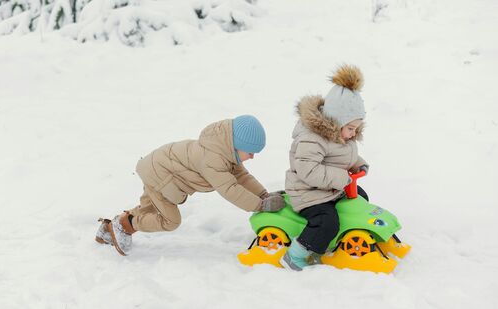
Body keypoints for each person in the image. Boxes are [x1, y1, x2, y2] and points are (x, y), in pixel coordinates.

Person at [95, 115, 286, 256]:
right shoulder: (213, 159)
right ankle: (122, 226)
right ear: (236, 144)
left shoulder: (224, 152)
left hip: (159, 167)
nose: (252, 157)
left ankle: (109, 230)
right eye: (250, 152)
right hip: (160, 175)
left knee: (149, 209)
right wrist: (260, 205)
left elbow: (242, 177)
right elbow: (230, 189)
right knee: (170, 220)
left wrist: (263, 195)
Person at [281, 64, 370, 271]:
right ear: (336, 121)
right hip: (308, 193)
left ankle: (339, 238)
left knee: (360, 197)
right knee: (326, 221)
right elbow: (308, 170)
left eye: (356, 130)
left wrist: (358, 164)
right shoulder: (312, 139)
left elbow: (342, 156)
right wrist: (341, 178)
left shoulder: (340, 135)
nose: (352, 134)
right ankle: (296, 255)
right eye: (350, 128)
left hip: (328, 189)